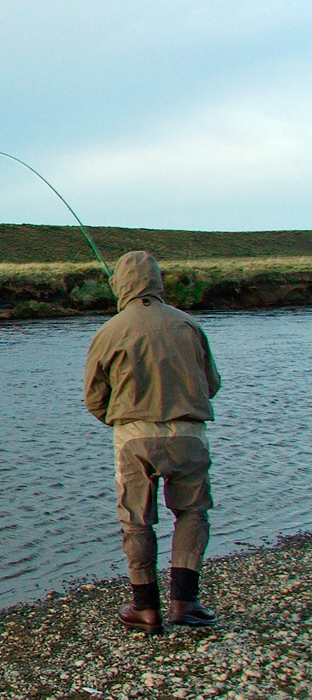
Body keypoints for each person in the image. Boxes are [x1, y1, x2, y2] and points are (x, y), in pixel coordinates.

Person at [84, 251, 221, 634]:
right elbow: (211, 384)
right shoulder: (188, 325)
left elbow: (94, 398)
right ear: (157, 281)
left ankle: (145, 608)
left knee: (136, 519)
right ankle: (185, 602)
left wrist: (123, 418)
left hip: (133, 439)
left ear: (121, 284)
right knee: (192, 513)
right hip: (189, 435)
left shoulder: (110, 331)